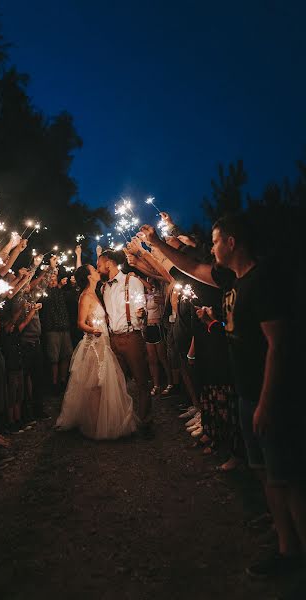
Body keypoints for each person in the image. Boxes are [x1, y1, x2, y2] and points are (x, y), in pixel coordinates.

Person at [140, 215, 306, 582]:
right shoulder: (232, 280)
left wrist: (266, 402)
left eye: (216, 242)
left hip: (270, 397)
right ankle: (286, 545)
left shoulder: (262, 283)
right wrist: (157, 243)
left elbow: (279, 347)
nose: (211, 248)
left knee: (288, 477)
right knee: (265, 472)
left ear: (232, 242)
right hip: (248, 393)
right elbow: (194, 266)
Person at [56, 264, 137, 440]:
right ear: (89, 277)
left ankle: (103, 420)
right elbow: (80, 323)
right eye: (94, 270)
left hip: (104, 342)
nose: (97, 271)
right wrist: (93, 331)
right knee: (95, 385)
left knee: (104, 383)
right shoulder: (85, 296)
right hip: (94, 344)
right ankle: (93, 426)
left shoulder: (96, 292)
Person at [96, 249, 153, 438]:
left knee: (141, 381)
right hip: (113, 339)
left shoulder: (132, 281)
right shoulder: (104, 288)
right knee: (118, 383)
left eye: (99, 264)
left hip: (131, 338)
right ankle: (124, 422)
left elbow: (141, 306)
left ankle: (146, 422)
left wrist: (141, 313)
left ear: (109, 263)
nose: (98, 268)